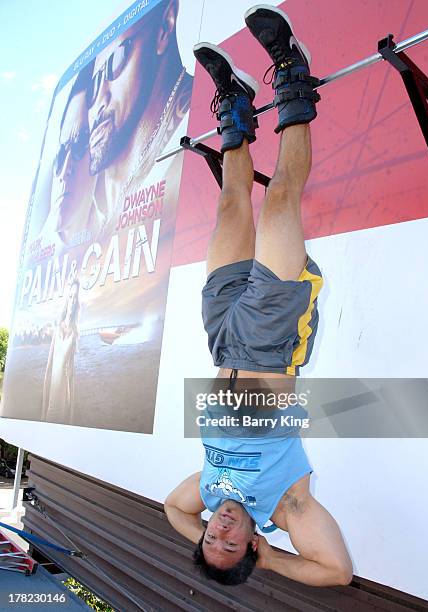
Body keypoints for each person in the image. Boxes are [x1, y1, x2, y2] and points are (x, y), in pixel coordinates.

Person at [165, 5, 353, 587]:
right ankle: (294, 75)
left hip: (221, 337)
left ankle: (235, 108)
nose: (217, 529)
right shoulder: (285, 505)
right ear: (251, 545)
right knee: (280, 204)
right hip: (271, 346)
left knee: (229, 204)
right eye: (229, 543)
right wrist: (273, 560)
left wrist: (194, 532)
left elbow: (173, 510)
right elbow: (337, 573)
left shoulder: (207, 491)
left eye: (210, 537)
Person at [87, 0, 192, 234]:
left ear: (165, 28)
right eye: (93, 88)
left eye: (117, 60)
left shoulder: (193, 118)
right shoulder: (98, 207)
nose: (100, 101)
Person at [37, 66, 103, 255]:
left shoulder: (113, 232)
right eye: (61, 154)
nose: (65, 170)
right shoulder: (34, 265)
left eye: (80, 145)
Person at [41, 278, 80, 424]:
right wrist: (43, 409)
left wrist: (71, 415)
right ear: (66, 300)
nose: (73, 301)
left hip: (65, 397)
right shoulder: (57, 329)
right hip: (52, 399)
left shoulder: (75, 333)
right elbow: (49, 368)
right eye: (70, 297)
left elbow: (71, 374)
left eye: (75, 297)